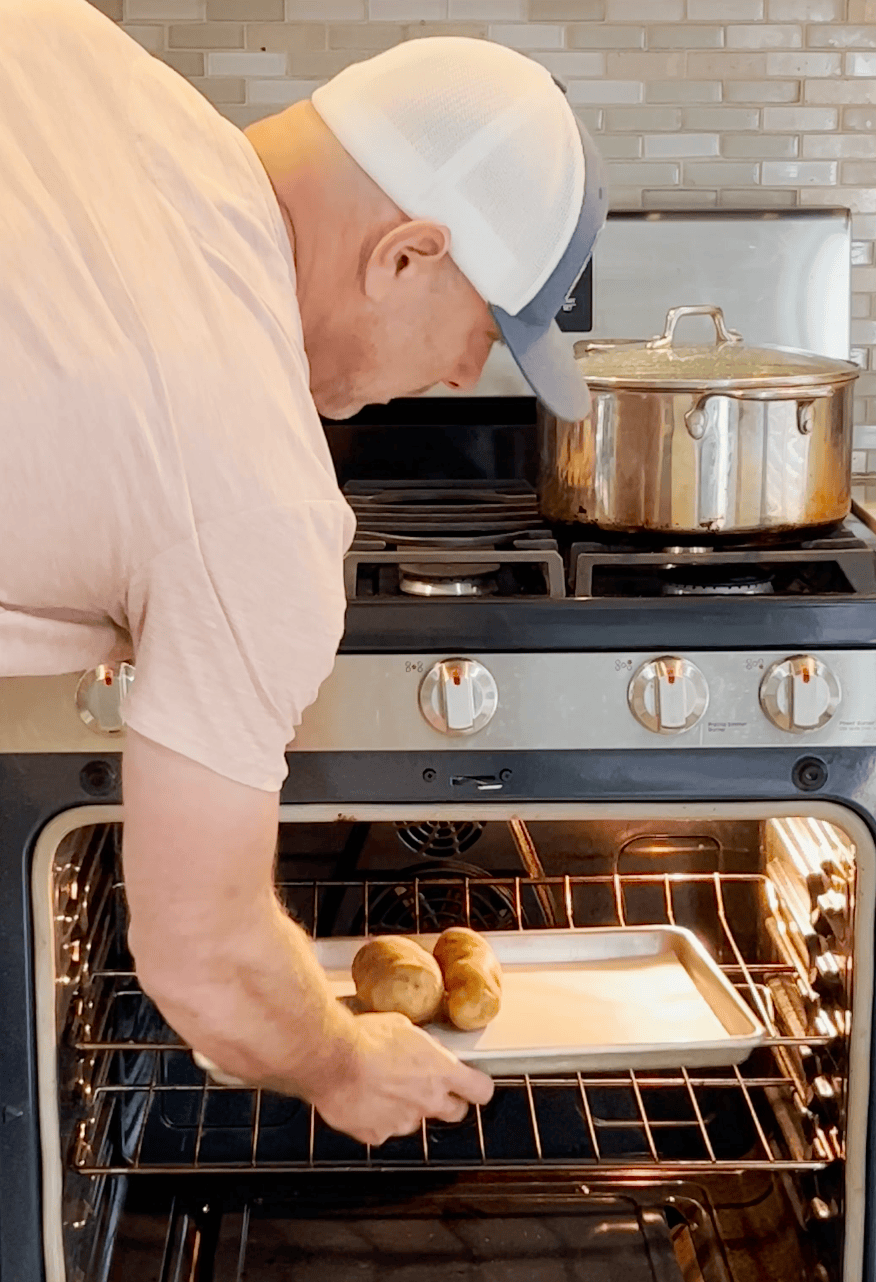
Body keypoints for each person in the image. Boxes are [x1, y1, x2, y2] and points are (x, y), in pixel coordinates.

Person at [0, 0, 607, 1145]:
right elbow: (210, 959)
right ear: (407, 254)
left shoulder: (84, 58)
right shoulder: (259, 496)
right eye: (483, 333)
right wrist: (336, 1059)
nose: (462, 375)